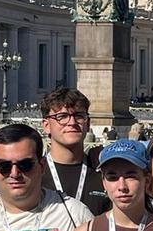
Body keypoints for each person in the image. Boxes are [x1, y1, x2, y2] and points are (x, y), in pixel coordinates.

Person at [40, 87, 107, 215]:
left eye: (79, 116)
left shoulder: (104, 172)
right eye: (62, 116)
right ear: (46, 125)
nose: (72, 122)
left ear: (88, 124)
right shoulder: (34, 173)